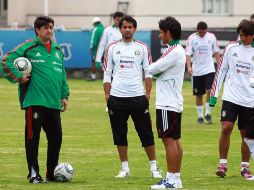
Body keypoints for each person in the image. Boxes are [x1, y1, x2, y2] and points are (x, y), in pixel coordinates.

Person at [0, 16, 70, 183]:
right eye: (46, 27)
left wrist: (64, 95)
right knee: (33, 139)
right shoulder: (28, 47)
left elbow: (62, 75)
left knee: (56, 138)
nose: (50, 30)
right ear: (37, 30)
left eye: (51, 27)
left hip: (54, 102)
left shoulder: (58, 50)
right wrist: (19, 76)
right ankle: (33, 174)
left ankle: (51, 173)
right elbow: (6, 61)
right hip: (34, 101)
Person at [103, 15, 162, 179]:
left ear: (134, 29)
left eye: (130, 27)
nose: (127, 30)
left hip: (137, 97)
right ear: (120, 29)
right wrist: (107, 95)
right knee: (119, 134)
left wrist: (147, 94)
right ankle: (125, 168)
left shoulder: (142, 47)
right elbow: (107, 73)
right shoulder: (112, 47)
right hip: (117, 98)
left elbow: (148, 72)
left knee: (146, 133)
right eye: (124, 27)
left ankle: (154, 168)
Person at [210, 20, 254, 179]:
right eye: (241, 35)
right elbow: (221, 70)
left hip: (249, 100)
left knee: (247, 136)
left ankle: (245, 167)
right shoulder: (231, 48)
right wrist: (214, 95)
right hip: (231, 97)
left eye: (246, 36)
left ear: (252, 36)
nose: (243, 38)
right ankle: (222, 164)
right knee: (226, 127)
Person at [148, 16, 186, 189]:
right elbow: (158, 70)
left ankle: (170, 179)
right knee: (175, 140)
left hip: (167, 103)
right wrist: (158, 71)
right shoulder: (177, 49)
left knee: (168, 140)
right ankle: (176, 178)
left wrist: (156, 70)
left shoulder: (173, 50)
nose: (160, 36)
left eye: (162, 32)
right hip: (174, 102)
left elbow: (152, 69)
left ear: (168, 33)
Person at [186, 21, 220, 124]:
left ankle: (208, 114)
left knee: (210, 90)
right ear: (197, 30)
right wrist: (189, 67)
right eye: (201, 32)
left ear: (206, 30)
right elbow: (188, 54)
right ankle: (200, 117)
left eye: (204, 32)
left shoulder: (211, 37)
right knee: (199, 95)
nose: (202, 34)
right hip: (197, 71)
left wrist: (220, 65)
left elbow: (216, 52)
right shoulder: (191, 38)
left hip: (209, 69)